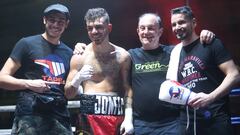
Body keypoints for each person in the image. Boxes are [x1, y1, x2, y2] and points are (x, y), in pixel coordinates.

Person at [74, 12, 214, 135]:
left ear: (160, 31)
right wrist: (81, 46)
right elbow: (123, 86)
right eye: (142, 28)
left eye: (151, 28)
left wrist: (204, 34)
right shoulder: (129, 56)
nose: (146, 32)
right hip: (141, 124)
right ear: (138, 31)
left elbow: (193, 46)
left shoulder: (174, 52)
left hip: (172, 123)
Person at [0, 3, 73, 135]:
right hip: (30, 114)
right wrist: (29, 84)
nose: (56, 24)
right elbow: (2, 78)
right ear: (44, 20)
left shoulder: (69, 53)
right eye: (52, 20)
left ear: (66, 24)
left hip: (59, 115)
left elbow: (69, 90)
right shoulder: (27, 44)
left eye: (61, 21)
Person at [167, 6, 240, 135]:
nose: (177, 27)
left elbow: (234, 75)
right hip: (189, 122)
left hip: (216, 118)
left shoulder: (210, 43)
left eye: (181, 22)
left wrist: (210, 98)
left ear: (194, 23)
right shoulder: (175, 53)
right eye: (174, 24)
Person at [64, 8, 134, 135]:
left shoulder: (123, 56)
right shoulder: (80, 56)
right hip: (88, 116)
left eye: (98, 27)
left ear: (109, 27)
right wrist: (77, 79)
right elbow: (68, 94)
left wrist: (129, 118)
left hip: (115, 115)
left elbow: (127, 89)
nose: (94, 31)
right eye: (90, 28)